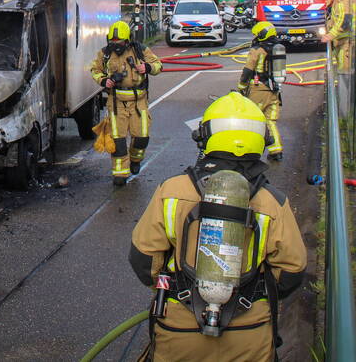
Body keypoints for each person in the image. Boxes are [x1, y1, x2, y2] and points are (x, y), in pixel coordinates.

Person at [129, 93, 307, 361]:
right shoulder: (274, 202)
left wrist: (176, 290)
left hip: (179, 332)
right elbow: (292, 270)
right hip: (250, 335)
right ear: (262, 139)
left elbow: (143, 260)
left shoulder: (171, 192)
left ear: (206, 137)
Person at [89, 20, 162, 185]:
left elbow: (158, 65)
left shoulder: (140, 50)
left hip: (138, 103)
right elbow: (95, 70)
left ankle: (135, 160)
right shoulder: (105, 54)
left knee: (142, 137)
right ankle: (120, 173)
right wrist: (104, 80)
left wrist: (147, 68)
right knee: (118, 141)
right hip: (116, 103)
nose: (116, 46)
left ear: (128, 39)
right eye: (113, 42)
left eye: (120, 42)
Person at [236, 21, 284, 161]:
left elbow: (248, 70)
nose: (255, 38)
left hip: (259, 89)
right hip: (274, 90)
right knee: (270, 121)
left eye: (256, 35)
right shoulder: (278, 48)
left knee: (251, 119)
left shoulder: (257, 50)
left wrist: (241, 87)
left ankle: (247, 151)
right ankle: (276, 150)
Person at [317, 0, 354, 71]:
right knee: (341, 69)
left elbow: (345, 20)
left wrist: (330, 35)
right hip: (341, 42)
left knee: (345, 71)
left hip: (346, 42)